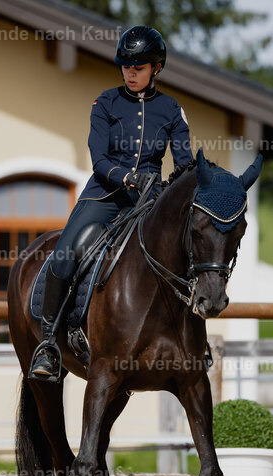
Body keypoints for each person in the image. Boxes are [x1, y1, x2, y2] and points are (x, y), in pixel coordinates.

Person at [29, 25, 193, 380]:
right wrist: (127, 177)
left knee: (186, 251)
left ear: (156, 68)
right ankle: (48, 345)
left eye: (138, 68)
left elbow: (183, 164)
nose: (130, 74)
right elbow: (99, 159)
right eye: (126, 67)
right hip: (104, 194)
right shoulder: (105, 103)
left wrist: (178, 181)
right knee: (67, 251)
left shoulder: (171, 110)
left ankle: (193, 341)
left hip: (149, 201)